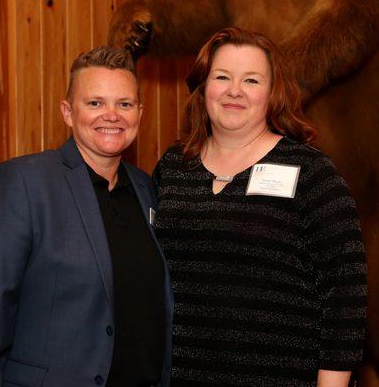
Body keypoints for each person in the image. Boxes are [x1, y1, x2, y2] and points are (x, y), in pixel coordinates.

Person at [153, 27, 366, 386]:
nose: (234, 90)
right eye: (222, 77)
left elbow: (346, 295)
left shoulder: (312, 173)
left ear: (272, 93)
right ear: (204, 86)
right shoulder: (173, 167)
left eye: (251, 80)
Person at [0, 46, 173, 387]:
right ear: (68, 112)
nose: (111, 115)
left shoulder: (146, 189)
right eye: (95, 103)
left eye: (124, 104)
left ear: (140, 114)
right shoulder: (23, 183)